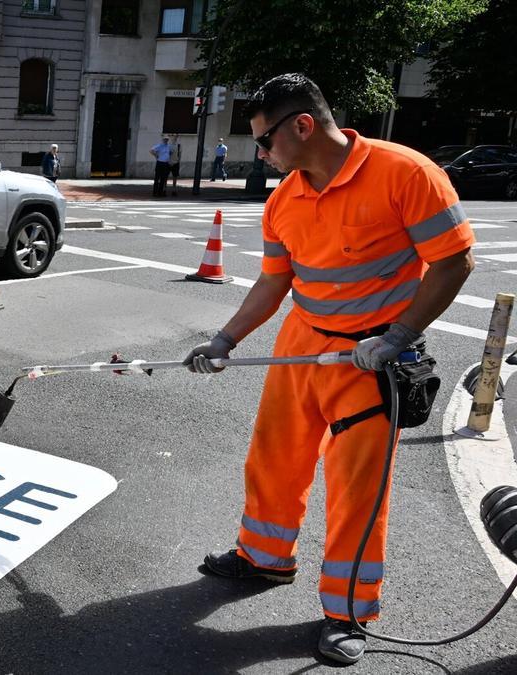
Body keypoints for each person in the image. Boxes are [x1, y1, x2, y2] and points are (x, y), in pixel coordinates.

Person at [183, 74, 474, 665]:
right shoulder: (284, 199)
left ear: (303, 125)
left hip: (370, 360)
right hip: (302, 343)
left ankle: (347, 611)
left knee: (359, 490)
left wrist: (399, 336)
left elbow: (454, 260)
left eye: (264, 141)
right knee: (274, 456)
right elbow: (274, 281)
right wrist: (225, 339)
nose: (259, 154)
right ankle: (263, 559)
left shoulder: (407, 174)